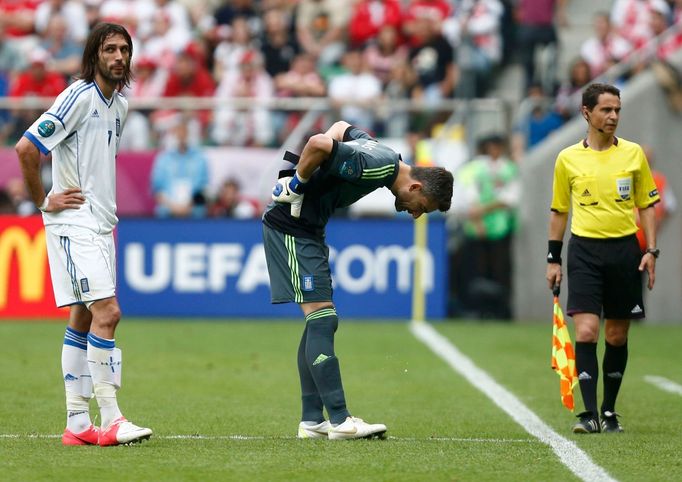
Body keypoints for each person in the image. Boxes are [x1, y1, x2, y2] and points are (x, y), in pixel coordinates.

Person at [263, 120, 453, 440]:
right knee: (322, 319)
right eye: (422, 208)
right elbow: (319, 144)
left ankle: (312, 421)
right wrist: (295, 185)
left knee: (319, 320)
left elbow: (339, 127)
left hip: (308, 229)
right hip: (292, 227)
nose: (416, 214)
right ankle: (339, 420)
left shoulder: (383, 154)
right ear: (416, 187)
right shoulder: (376, 166)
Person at [15, 22, 152, 447]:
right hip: (74, 222)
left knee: (84, 315)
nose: (118, 57)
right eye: (110, 49)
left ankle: (77, 423)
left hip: (101, 223)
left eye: (124, 50)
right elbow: (26, 148)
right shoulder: (77, 97)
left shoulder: (120, 106)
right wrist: (44, 201)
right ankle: (111, 419)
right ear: (94, 55)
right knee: (108, 313)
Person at [545, 83, 660, 434]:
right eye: (606, 110)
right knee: (587, 329)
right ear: (586, 113)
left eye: (617, 110)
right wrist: (554, 258)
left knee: (616, 336)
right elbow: (559, 212)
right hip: (584, 251)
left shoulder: (633, 153)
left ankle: (610, 411)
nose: (613, 116)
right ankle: (590, 413)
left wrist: (651, 251)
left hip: (625, 251)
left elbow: (647, 205)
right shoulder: (567, 158)